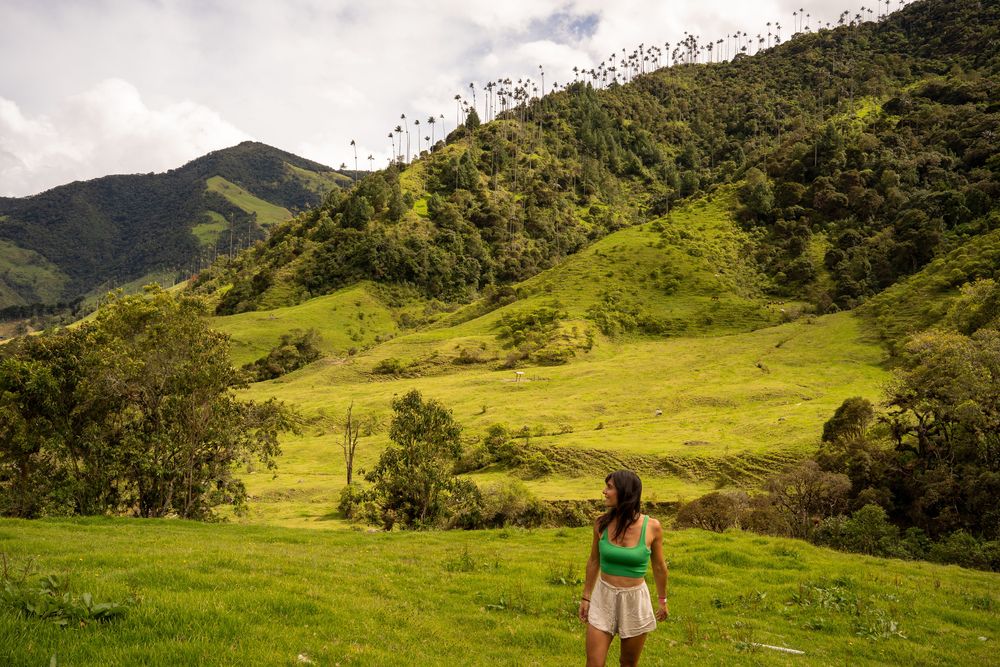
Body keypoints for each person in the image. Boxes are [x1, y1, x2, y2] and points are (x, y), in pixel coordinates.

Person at [579, 470, 669, 667]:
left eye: (609, 487)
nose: (604, 491)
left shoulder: (652, 527)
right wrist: (586, 597)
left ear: (625, 492)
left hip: (634, 600)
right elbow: (593, 561)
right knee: (594, 663)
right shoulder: (601, 524)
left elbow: (659, 567)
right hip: (604, 597)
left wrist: (662, 600)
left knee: (627, 663)